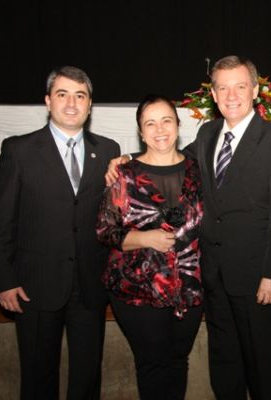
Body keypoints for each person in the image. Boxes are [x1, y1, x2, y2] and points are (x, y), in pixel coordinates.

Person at [106, 56, 271, 399]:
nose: (231, 95)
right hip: (213, 275)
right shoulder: (208, 133)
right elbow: (169, 157)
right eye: (223, 88)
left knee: (265, 367)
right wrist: (127, 161)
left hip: (257, 277)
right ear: (213, 94)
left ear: (255, 90)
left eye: (240, 86)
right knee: (225, 365)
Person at [0, 66, 120, 399]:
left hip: (88, 285)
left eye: (80, 96)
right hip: (35, 285)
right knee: (37, 377)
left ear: (90, 104)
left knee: (87, 377)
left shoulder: (108, 151)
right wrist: (3, 280)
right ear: (48, 101)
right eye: (62, 94)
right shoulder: (19, 151)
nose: (71, 104)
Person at [96, 95, 203, 400]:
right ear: (141, 132)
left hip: (190, 287)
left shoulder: (198, 170)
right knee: (153, 364)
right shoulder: (124, 175)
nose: (160, 129)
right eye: (150, 123)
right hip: (138, 288)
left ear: (178, 125)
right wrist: (145, 238)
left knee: (178, 360)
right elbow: (104, 230)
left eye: (166, 121)